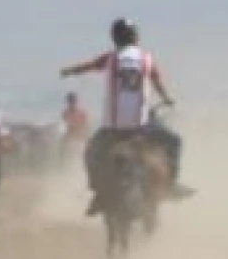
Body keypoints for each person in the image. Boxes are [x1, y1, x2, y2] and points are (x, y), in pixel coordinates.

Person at [61, 18, 193, 215]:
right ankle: (170, 185)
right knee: (175, 142)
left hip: (113, 128)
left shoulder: (111, 58)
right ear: (135, 37)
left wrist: (70, 71)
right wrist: (167, 99)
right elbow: (157, 82)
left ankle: (97, 191)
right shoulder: (146, 58)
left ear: (115, 38)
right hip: (142, 126)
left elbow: (88, 66)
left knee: (91, 152)